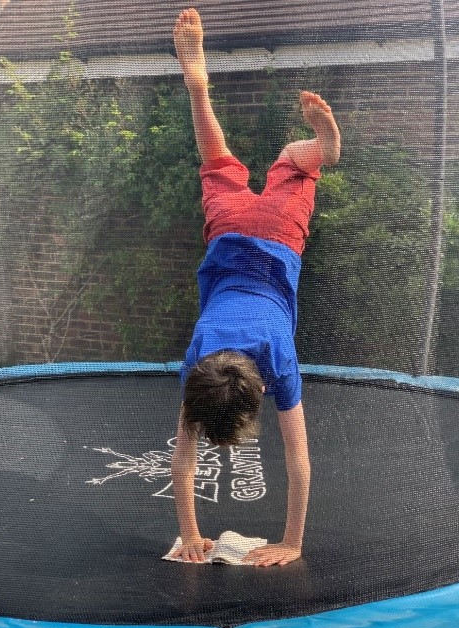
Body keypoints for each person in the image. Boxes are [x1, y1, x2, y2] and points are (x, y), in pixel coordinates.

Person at [170, 8, 341, 567]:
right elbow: (185, 460)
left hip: (280, 240)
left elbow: (298, 462)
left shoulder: (278, 360)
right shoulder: (199, 359)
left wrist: (291, 543)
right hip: (228, 235)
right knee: (216, 162)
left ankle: (321, 149)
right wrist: (193, 535)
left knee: (298, 167)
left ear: (261, 390)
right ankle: (200, 90)